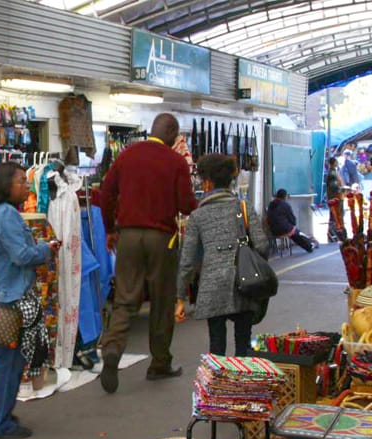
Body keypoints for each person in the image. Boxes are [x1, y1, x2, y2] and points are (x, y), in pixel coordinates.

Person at [100, 113, 196, 394]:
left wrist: (111, 229)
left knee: (125, 298)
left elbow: (106, 194)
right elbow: (186, 204)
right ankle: (159, 363)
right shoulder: (175, 162)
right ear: (172, 134)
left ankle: (112, 351)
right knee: (162, 301)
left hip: (128, 236)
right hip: (161, 238)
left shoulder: (127, 155)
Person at [0, 162, 61, 439]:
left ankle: (0, 415)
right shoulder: (7, 215)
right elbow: (22, 256)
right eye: (21, 181)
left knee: (7, 361)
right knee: (9, 363)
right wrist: (46, 248)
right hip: (6, 299)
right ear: (5, 185)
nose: (26, 185)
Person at [176, 155, 269, 356]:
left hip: (212, 286)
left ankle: (220, 384)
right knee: (243, 344)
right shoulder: (243, 207)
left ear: (207, 182)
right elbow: (262, 245)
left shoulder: (198, 216)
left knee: (216, 346)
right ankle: (242, 381)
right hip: (244, 283)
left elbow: (187, 260)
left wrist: (180, 297)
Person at [325, 157, 345, 242]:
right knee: (337, 216)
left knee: (335, 216)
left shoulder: (333, 172)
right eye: (336, 162)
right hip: (335, 198)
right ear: (334, 163)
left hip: (334, 197)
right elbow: (334, 186)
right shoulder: (332, 173)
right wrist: (342, 189)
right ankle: (336, 234)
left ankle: (333, 234)